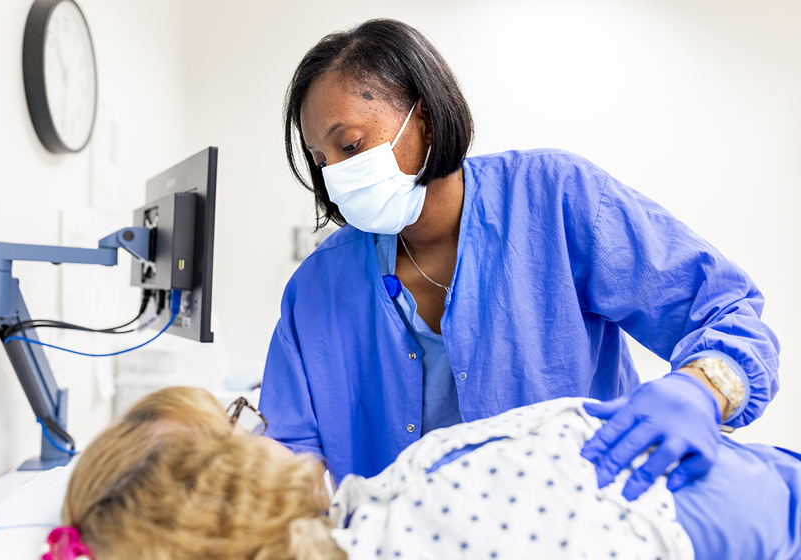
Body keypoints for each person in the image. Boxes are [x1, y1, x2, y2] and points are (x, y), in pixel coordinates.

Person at [260, 18, 780, 498]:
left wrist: (701, 390)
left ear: (426, 121)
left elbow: (723, 309)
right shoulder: (317, 287)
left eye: (350, 145)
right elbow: (288, 466)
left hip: (580, 530)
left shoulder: (556, 199)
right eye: (322, 161)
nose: (336, 176)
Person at [47, 386, 801, 560]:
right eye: (237, 429)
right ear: (223, 489)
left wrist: (708, 381)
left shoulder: (357, 518)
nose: (262, 429)